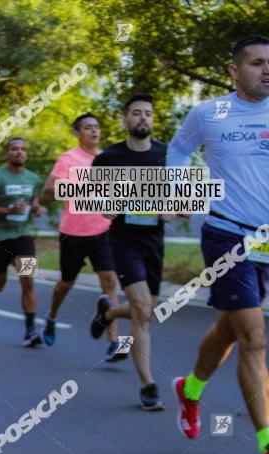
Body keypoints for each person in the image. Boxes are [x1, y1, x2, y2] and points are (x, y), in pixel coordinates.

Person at [166, 35, 269, 454]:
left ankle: (189, 390)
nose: (267, 70)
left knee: (229, 329)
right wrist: (179, 190)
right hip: (228, 234)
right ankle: (267, 445)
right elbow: (177, 150)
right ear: (234, 70)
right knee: (254, 337)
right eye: (257, 63)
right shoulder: (208, 113)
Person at [88, 94, 169, 411]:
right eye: (136, 113)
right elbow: (91, 197)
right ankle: (148, 385)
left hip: (154, 241)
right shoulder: (109, 157)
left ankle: (108, 312)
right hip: (123, 241)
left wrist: (172, 211)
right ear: (125, 120)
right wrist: (106, 207)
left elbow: (180, 198)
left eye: (148, 113)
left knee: (148, 309)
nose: (143, 118)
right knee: (142, 311)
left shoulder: (167, 154)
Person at [40, 114, 124, 360]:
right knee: (66, 283)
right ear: (78, 133)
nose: (94, 131)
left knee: (109, 280)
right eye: (88, 128)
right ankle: (52, 316)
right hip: (73, 233)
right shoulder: (68, 159)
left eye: (97, 127)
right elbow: (46, 192)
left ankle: (113, 341)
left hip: (103, 231)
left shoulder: (107, 159)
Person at [0, 138, 46, 347]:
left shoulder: (32, 178)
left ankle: (30, 330)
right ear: (7, 154)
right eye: (14, 149)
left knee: (28, 278)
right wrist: (7, 211)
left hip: (23, 235)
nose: (19, 153)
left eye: (23, 149)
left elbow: (33, 198)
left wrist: (36, 207)